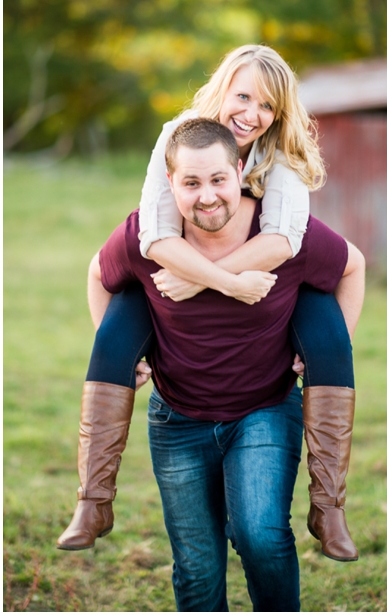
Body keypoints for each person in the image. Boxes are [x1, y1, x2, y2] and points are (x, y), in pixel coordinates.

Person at [58, 45, 361, 562]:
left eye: (266, 106)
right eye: (243, 96)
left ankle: (329, 506)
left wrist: (206, 282)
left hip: (264, 285)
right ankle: (93, 500)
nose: (252, 113)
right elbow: (153, 235)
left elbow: (286, 240)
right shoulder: (182, 139)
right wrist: (221, 281)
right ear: (221, 90)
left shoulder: (279, 153)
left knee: (326, 324)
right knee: (121, 315)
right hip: (173, 271)